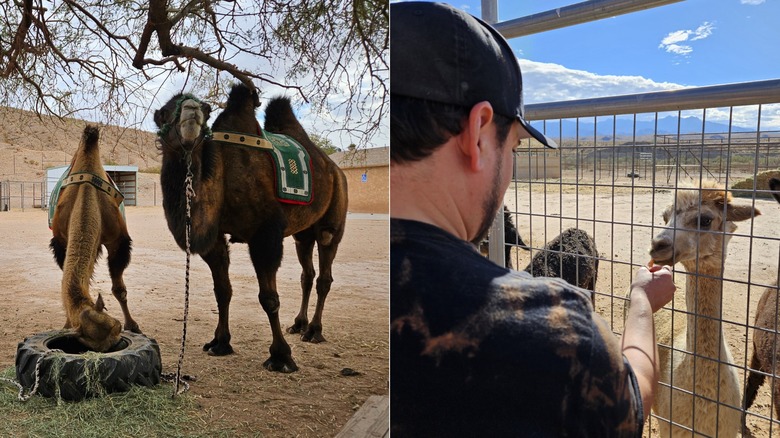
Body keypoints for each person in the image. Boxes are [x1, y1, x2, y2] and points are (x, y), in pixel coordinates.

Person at [389, 2, 677, 436]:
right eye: (515, 148)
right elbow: (633, 403)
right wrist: (641, 302)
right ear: (479, 133)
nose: (511, 166)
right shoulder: (554, 331)